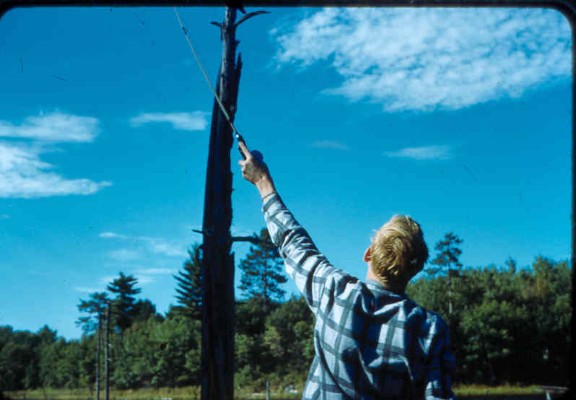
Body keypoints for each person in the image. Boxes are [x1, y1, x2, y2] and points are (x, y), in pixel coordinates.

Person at [238, 141, 456, 400]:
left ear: (368, 254)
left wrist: (263, 181)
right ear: (416, 269)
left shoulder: (335, 292)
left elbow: (292, 241)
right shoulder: (430, 330)